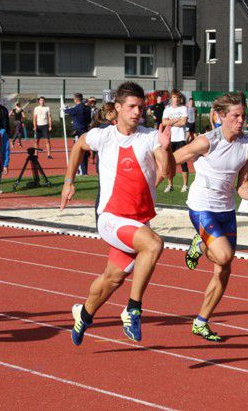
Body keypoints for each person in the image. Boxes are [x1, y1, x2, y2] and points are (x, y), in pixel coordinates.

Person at [61, 81, 174, 346]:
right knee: (154, 244)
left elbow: (167, 172)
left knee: (112, 279)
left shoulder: (150, 136)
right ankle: (133, 309)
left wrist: (166, 149)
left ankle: (84, 314)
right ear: (119, 108)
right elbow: (78, 145)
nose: (137, 112)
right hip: (110, 218)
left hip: (138, 220)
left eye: (141, 107)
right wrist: (69, 181)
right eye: (132, 107)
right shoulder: (104, 136)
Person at [176, 92, 248, 341]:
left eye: (243, 116)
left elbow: (242, 185)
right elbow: (173, 159)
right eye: (235, 116)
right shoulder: (208, 142)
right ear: (221, 116)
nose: (240, 121)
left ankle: (201, 321)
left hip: (226, 209)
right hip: (201, 205)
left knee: (224, 266)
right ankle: (201, 241)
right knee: (224, 254)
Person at [162, 90, 190, 193]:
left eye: (178, 97)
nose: (176, 99)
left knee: (183, 162)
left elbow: (183, 122)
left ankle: (185, 185)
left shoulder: (183, 108)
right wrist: (175, 121)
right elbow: (164, 123)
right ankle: (170, 185)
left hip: (180, 139)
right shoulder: (167, 109)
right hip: (170, 139)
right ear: (171, 98)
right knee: (169, 162)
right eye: (174, 97)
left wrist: (170, 122)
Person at [64, 93, 92, 175]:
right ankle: (84, 170)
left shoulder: (77, 108)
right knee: (85, 152)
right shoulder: (87, 108)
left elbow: (67, 112)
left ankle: (82, 171)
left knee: (79, 151)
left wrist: (64, 108)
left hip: (79, 132)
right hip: (86, 130)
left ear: (75, 99)